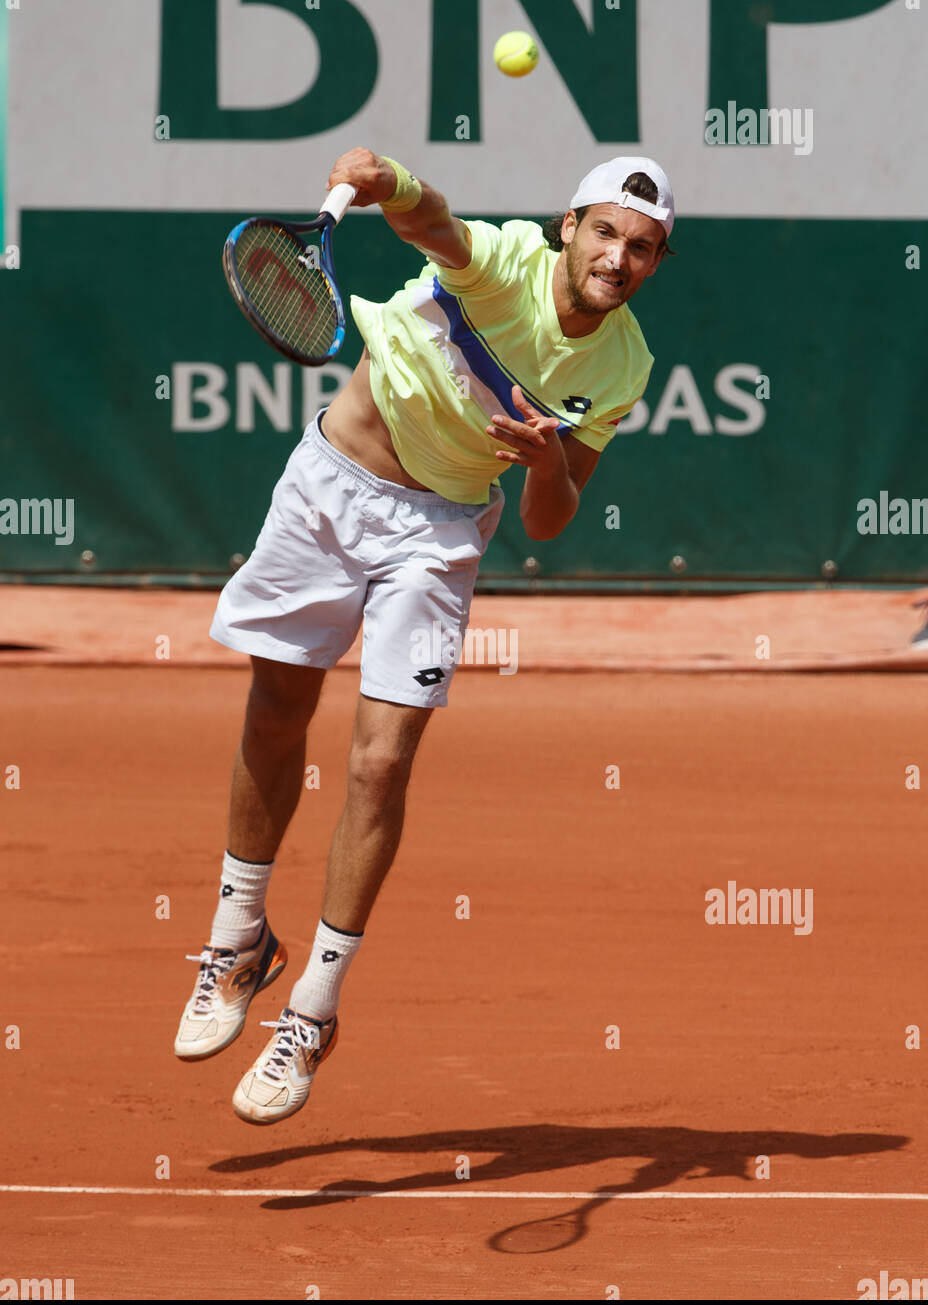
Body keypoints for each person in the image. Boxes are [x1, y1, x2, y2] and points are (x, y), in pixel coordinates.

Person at [173, 148, 674, 1125]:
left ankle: (312, 1009)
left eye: (643, 247)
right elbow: (430, 219)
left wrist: (539, 463)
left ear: (657, 263)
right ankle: (238, 937)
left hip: (438, 534)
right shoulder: (495, 260)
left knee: (379, 765)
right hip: (326, 490)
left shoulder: (624, 366)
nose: (619, 257)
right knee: (276, 708)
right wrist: (387, 178)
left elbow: (552, 518)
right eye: (605, 231)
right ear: (566, 228)